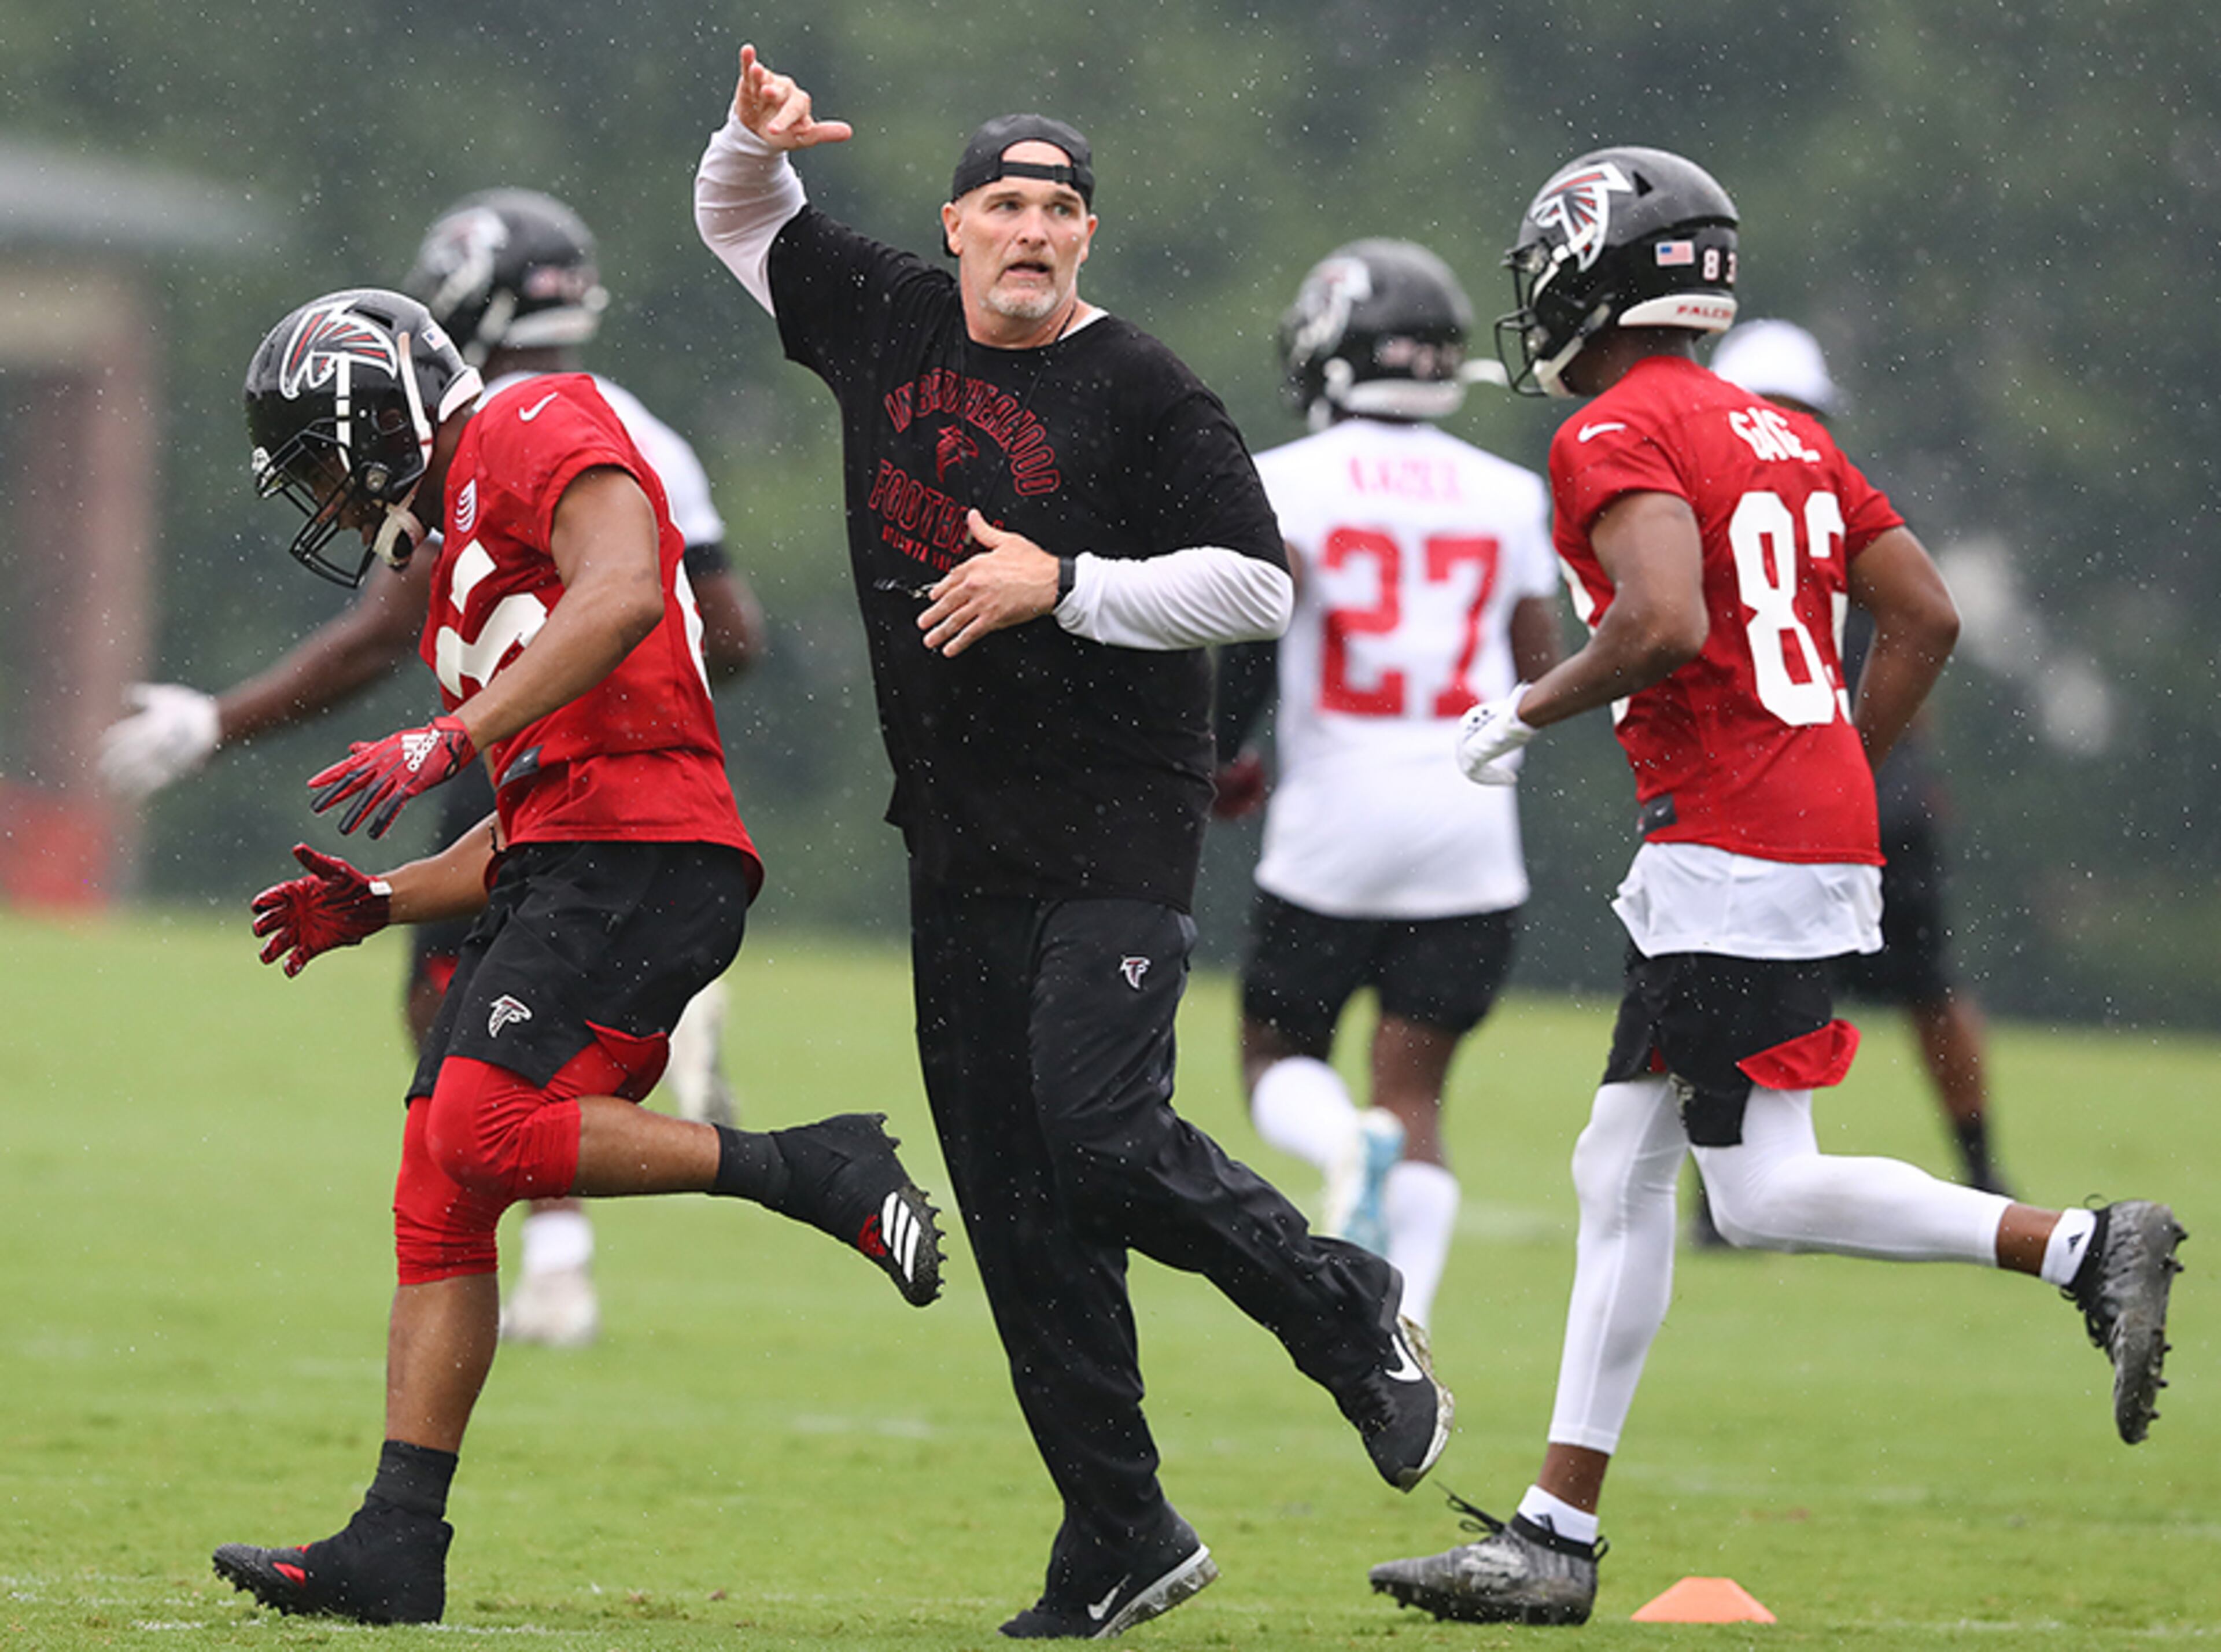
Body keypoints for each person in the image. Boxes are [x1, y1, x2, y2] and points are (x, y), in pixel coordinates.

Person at [1367, 147, 2183, 1627]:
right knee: (1625, 1169)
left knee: (1757, 1189)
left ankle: (2079, 1244)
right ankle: (1557, 1533)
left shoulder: (1619, 427)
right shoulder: (1788, 433)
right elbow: (1924, 619)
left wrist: (1528, 707)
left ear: (1593, 269)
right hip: (1778, 832)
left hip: (1730, 850)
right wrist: (1831, 755)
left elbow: (1665, 618)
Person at [694, 46, 1452, 1640]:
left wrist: (1072, 584)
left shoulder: (1146, 388)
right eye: (1007, 205)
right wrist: (746, 141)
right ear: (956, 225)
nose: (1032, 231)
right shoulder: (889, 311)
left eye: (1061, 209)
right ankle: (1120, 1530)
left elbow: (1257, 588)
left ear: (1084, 239)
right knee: (1016, 1201)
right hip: (956, 835)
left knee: (1099, 1140)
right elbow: (744, 224)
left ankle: (1345, 1308)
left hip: (1117, 822)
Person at [208, 287, 942, 1625]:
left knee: (488, 1129)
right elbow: (531, 819)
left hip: (653, 852)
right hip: (584, 854)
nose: (320, 494)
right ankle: (396, 1541)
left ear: (381, 415)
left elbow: (617, 597)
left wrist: (448, 734)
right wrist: (384, 897)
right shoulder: (459, 564)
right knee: (440, 1175)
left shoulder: (539, 417)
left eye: (320, 455)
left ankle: (808, 1165)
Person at [98, 189, 768, 1348]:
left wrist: (223, 724)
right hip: (602, 749)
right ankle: (550, 1249)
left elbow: (388, 631)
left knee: (463, 1033)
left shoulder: (506, 429)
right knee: (478, 1046)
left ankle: (620, 1228)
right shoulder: (636, 420)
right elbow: (733, 628)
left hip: (534, 737)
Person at [1213, 239, 1562, 1332]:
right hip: (1469, 834)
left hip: (1333, 823)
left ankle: (1337, 1145)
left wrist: (1223, 753)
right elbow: (1544, 671)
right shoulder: (1509, 495)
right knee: (1417, 1096)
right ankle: (1406, 1320)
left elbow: (1251, 635)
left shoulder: (1287, 481)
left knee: (1275, 1054)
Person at [1711, 318, 2012, 1197]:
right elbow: (1919, 631)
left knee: (1751, 987)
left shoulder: (1710, 496)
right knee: (1930, 989)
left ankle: (1721, 1195)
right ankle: (1983, 1170)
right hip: (1878, 780)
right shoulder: (1841, 494)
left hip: (1780, 786)